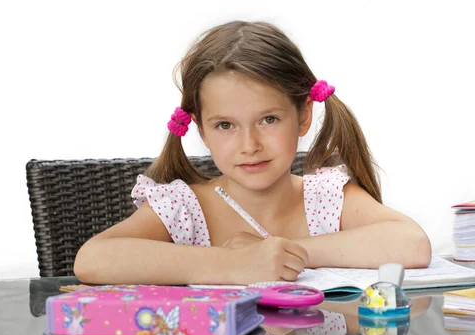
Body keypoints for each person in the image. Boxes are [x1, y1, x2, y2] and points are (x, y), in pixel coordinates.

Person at [73, 20, 432, 285]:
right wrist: (235, 264)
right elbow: (92, 259)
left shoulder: (325, 198)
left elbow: (412, 244)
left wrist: (284, 251)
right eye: (225, 125)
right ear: (201, 130)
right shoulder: (183, 208)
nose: (249, 145)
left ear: (304, 115)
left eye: (269, 119)